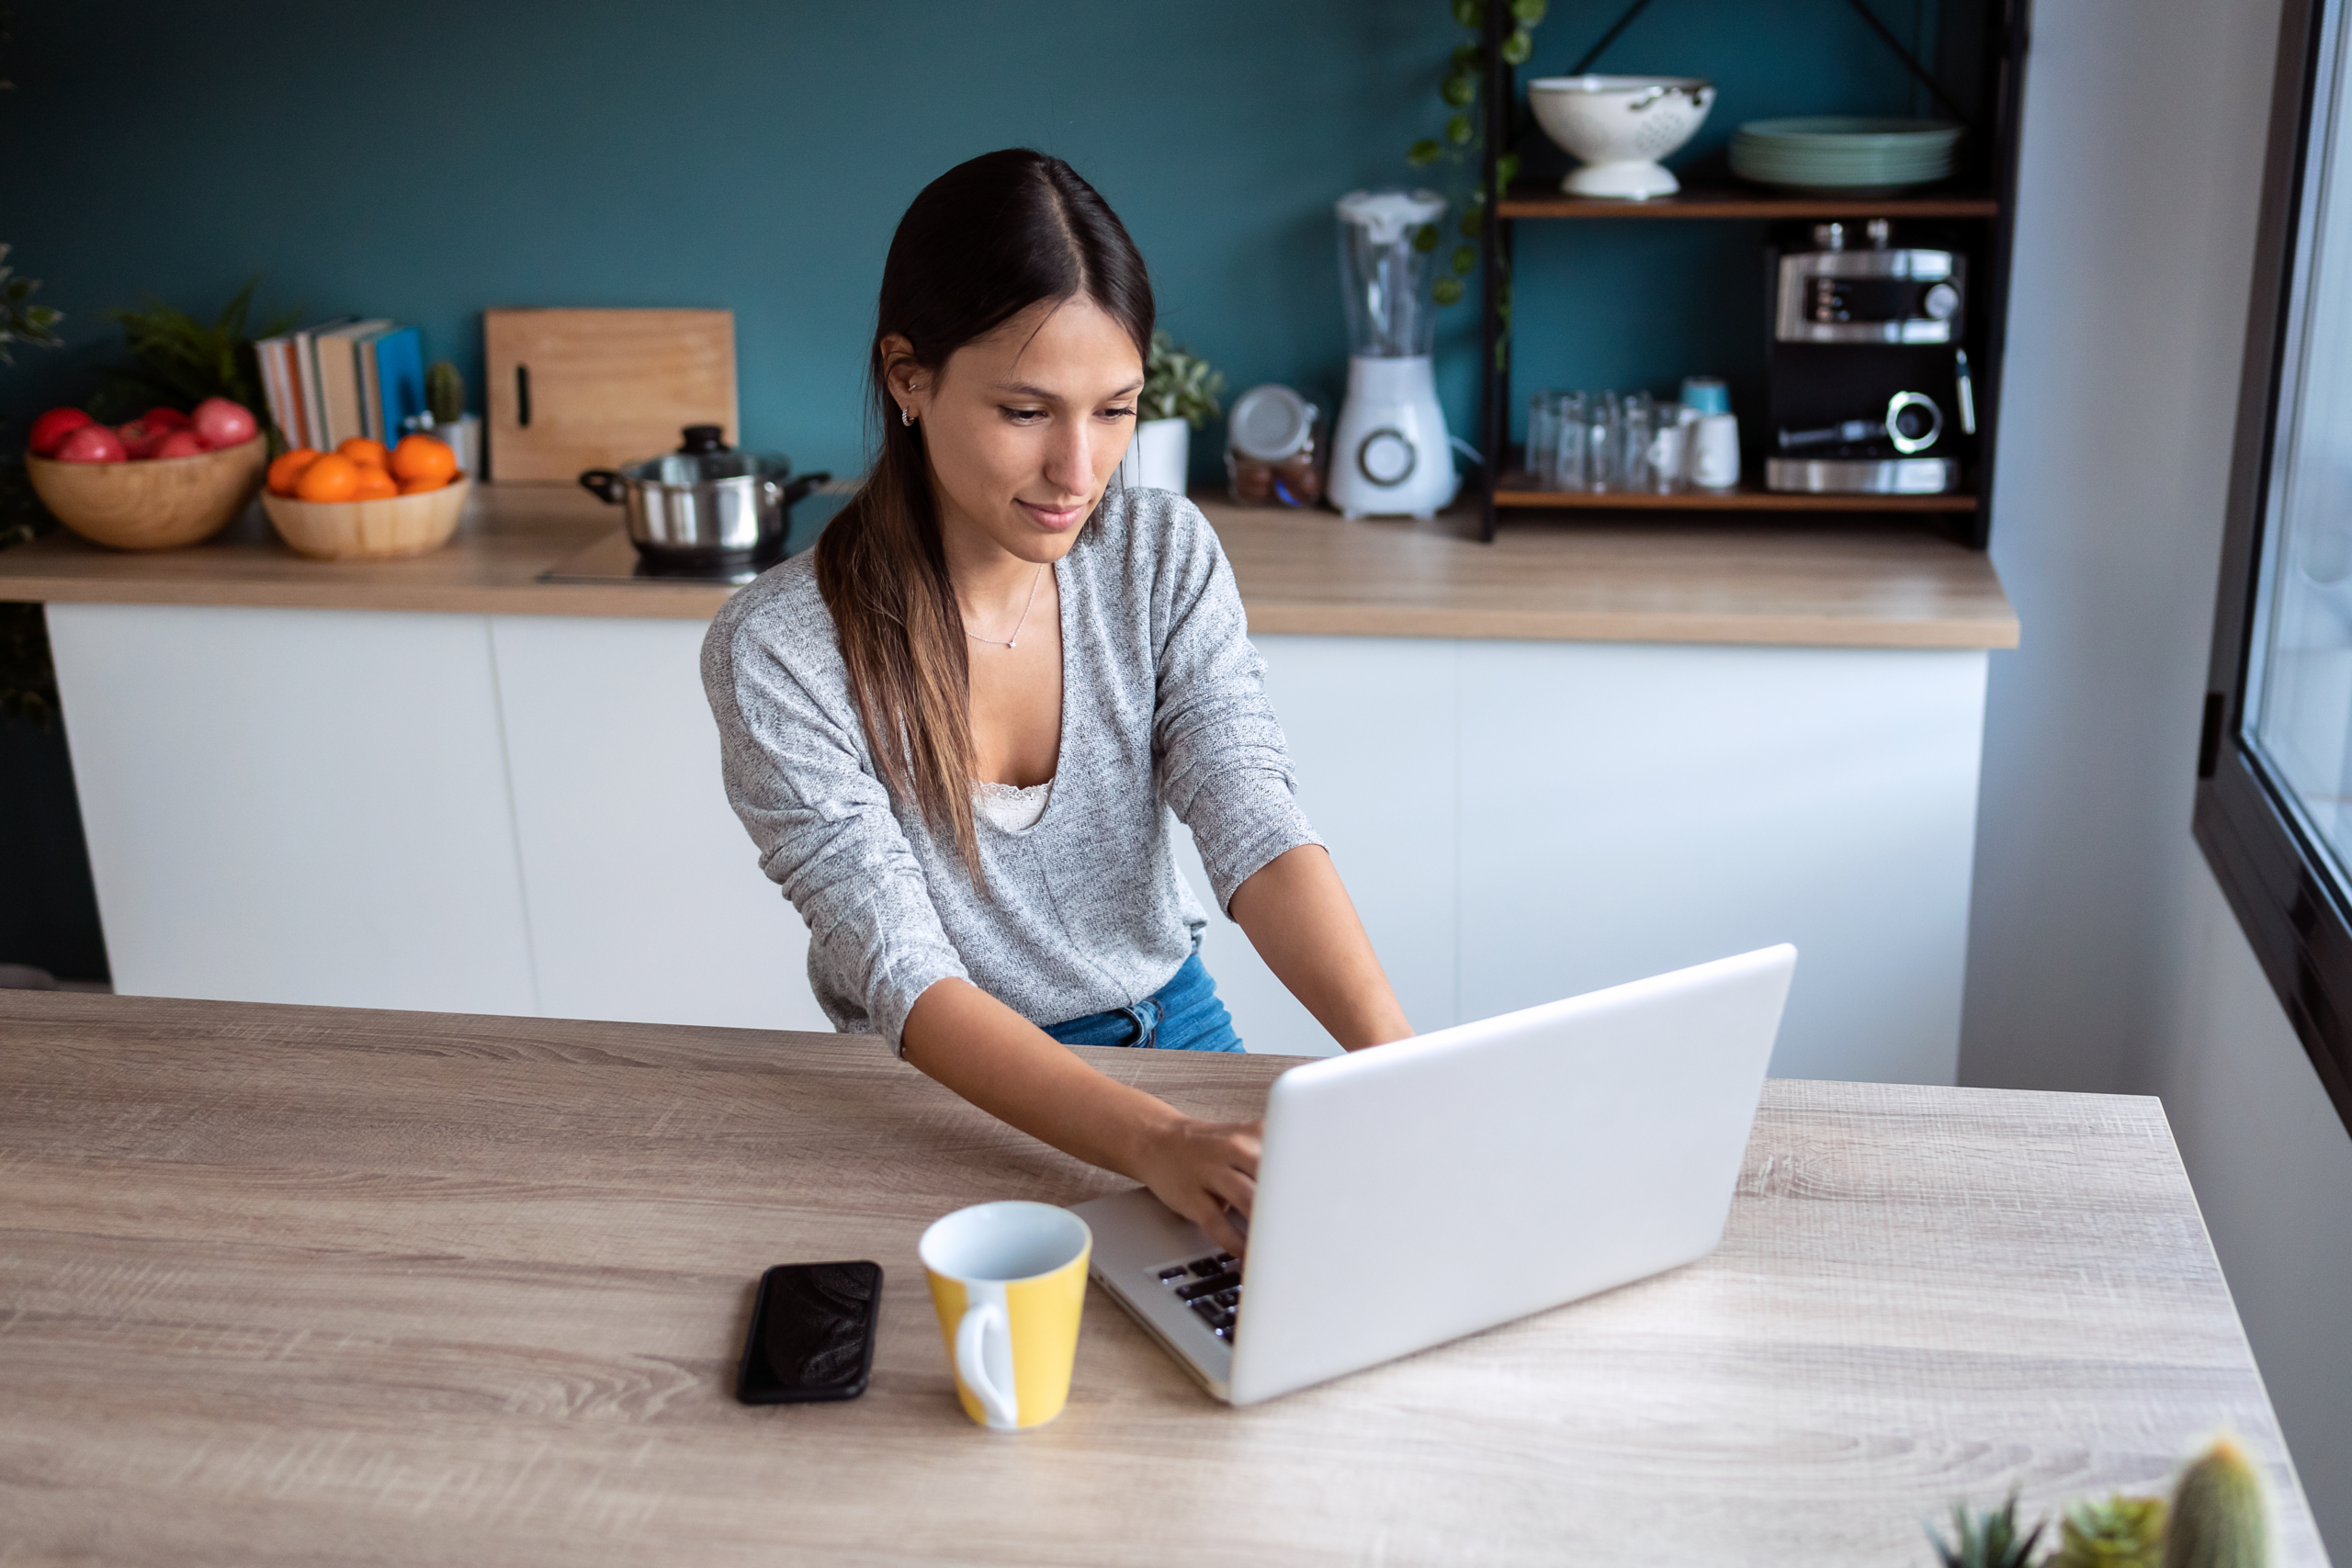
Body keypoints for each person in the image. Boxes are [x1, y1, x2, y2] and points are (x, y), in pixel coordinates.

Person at [703, 149, 1412, 1255]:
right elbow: (902, 971)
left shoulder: (1159, 552)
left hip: (1174, 1031)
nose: (1079, 470)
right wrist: (1152, 1141)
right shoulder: (783, 648)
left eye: (1116, 410)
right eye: (1026, 410)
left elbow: (1251, 818)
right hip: (941, 1088)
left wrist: (1400, 1066)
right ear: (907, 376)